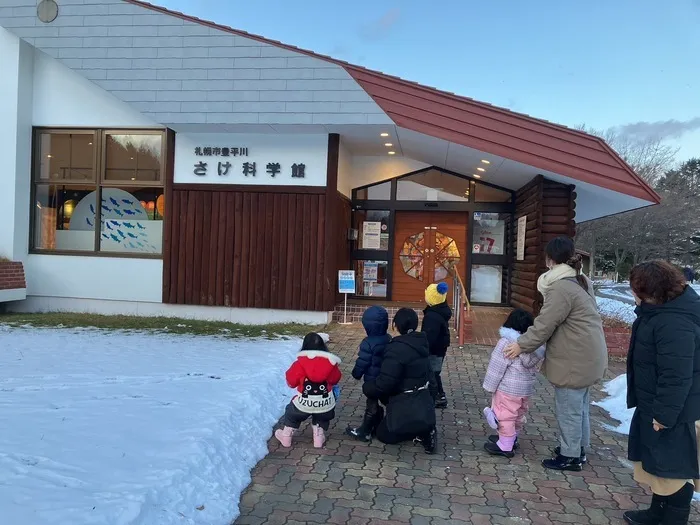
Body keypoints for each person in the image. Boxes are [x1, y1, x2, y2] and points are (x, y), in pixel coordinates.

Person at [504, 236, 607, 471]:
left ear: (549, 259)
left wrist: (521, 345)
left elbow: (545, 324)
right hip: (588, 354)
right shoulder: (580, 280)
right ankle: (578, 449)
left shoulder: (561, 288)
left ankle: (569, 456)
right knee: (579, 407)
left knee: (569, 408)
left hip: (575, 358)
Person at [623, 261, 700, 525]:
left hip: (676, 409)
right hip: (657, 402)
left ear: (649, 290)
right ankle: (658, 512)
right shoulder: (660, 311)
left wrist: (664, 415)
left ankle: (672, 520)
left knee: (674, 469)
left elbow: (677, 374)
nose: (632, 292)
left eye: (635, 287)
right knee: (658, 464)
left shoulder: (674, 322)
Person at [363, 308, 438, 454]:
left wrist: (368, 388)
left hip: (403, 399)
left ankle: (412, 429)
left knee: (384, 435)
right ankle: (424, 430)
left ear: (396, 325)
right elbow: (431, 376)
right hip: (421, 399)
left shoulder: (395, 348)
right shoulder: (422, 343)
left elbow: (386, 382)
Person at [482, 309, 545, 458]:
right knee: (517, 414)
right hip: (525, 390)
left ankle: (505, 445)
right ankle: (511, 438)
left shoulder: (506, 342)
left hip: (508, 389)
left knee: (505, 416)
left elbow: (496, 367)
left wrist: (490, 386)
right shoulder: (532, 346)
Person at [274, 333, 342, 449]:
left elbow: (291, 382)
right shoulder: (331, 363)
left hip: (303, 404)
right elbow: (335, 379)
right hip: (325, 404)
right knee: (322, 415)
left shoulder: (300, 363)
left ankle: (286, 436)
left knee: (291, 412)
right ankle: (318, 436)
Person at [346, 306, 392, 441]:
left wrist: (356, 374)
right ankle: (379, 425)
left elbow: (363, 361)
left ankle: (365, 431)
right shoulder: (388, 338)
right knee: (386, 401)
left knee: (371, 405)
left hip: (372, 381)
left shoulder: (367, 343)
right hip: (384, 379)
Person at [422, 282, 452, 409]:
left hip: (434, 350)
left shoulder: (432, 316)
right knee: (434, 372)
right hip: (440, 348)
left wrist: (423, 348)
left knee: (433, 372)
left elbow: (429, 337)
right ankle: (437, 394)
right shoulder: (439, 311)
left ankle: (439, 396)